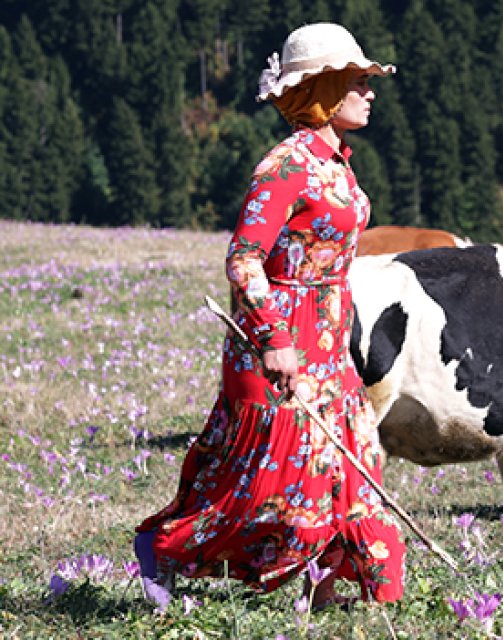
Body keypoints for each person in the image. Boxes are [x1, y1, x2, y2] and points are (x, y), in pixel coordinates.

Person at [133, 22, 404, 611]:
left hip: (329, 346)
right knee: (270, 494)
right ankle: (163, 547)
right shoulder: (285, 168)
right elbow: (244, 258)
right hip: (278, 347)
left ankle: (338, 595)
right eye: (358, 80)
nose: (370, 90)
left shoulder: (336, 165)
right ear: (324, 88)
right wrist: (275, 340)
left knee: (354, 471)